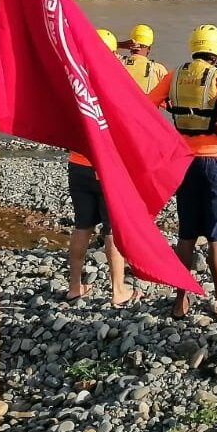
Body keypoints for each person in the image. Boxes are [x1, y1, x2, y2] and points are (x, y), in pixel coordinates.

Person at [148, 24, 217, 321]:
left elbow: (148, 104)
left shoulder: (174, 75)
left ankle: (180, 302)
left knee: (187, 234)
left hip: (185, 161)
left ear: (194, 46)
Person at [64, 29, 141, 307]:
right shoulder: (112, 88)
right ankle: (118, 290)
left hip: (77, 163)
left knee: (82, 225)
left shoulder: (74, 85)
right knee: (111, 229)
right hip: (106, 167)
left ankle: (74, 286)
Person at [121, 23, 168, 94]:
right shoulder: (158, 70)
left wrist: (120, 45)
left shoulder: (118, 63)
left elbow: (103, 50)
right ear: (149, 49)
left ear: (129, 45)